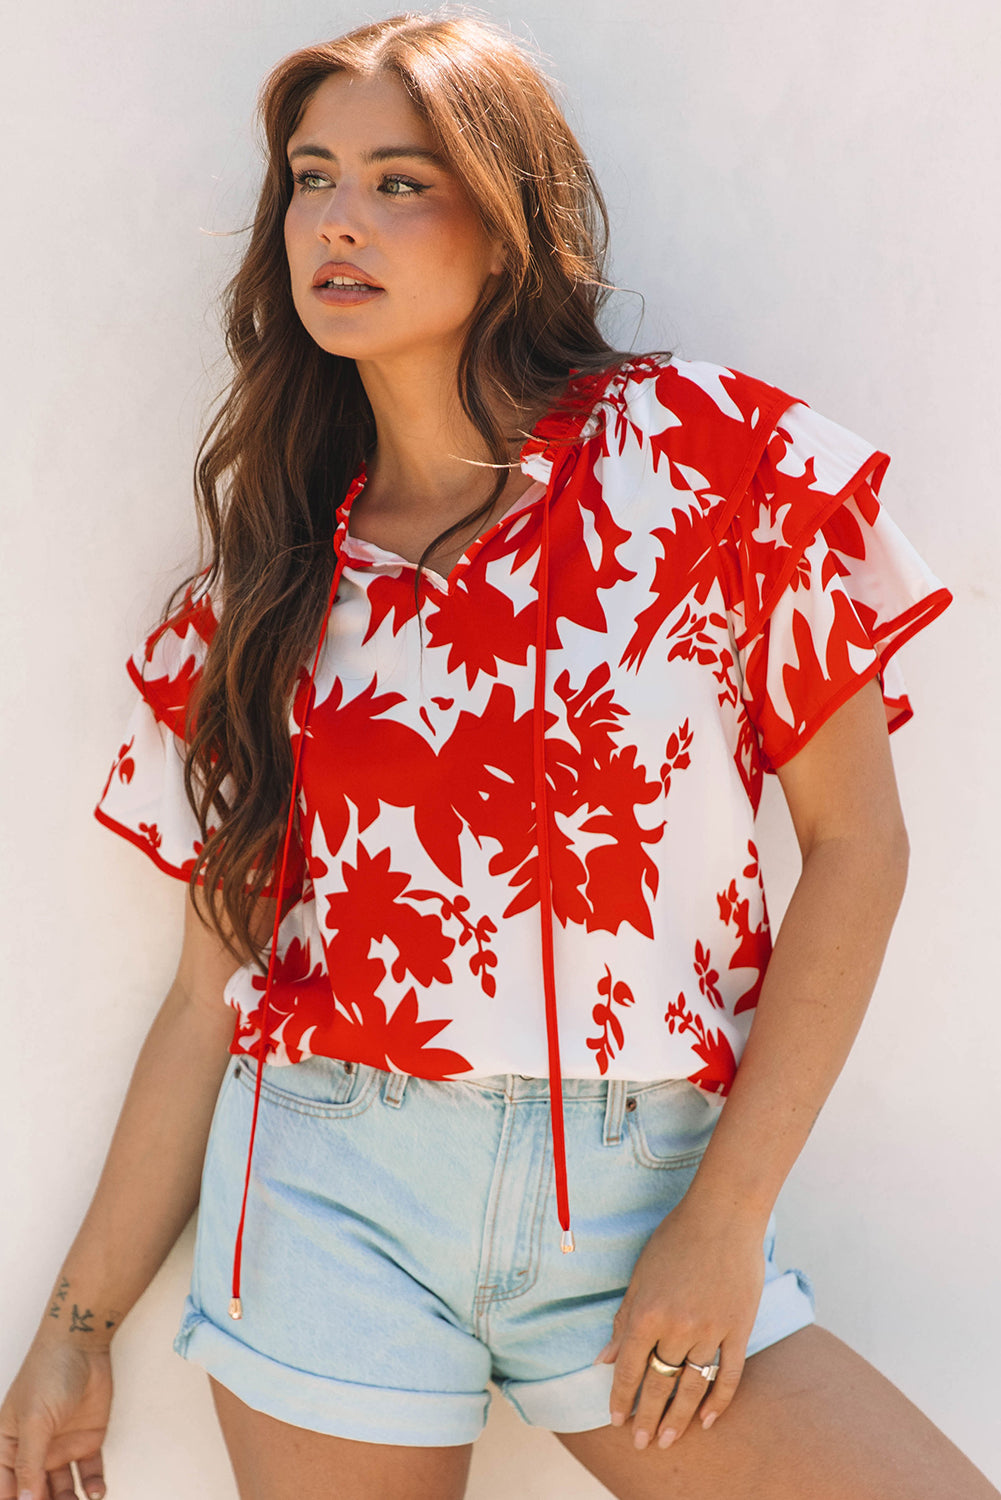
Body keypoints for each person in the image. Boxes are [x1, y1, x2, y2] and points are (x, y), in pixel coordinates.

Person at [1, 10, 996, 1500]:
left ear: (510, 220)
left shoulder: (706, 466)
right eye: (310, 175)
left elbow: (861, 851)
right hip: (329, 1190)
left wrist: (724, 1220)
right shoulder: (263, 594)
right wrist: (76, 1324)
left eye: (402, 181)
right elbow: (212, 988)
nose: (337, 219)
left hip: (646, 1184)